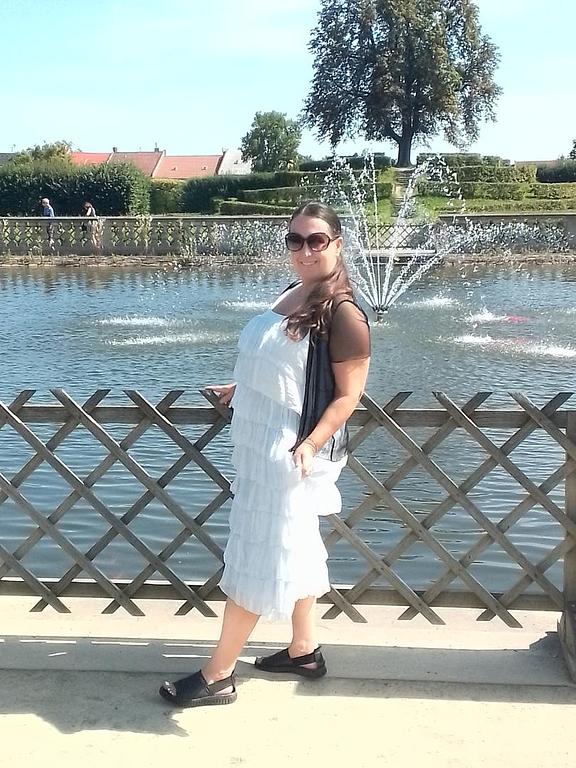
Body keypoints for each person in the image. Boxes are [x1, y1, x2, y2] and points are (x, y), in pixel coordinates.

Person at [159, 201, 371, 709]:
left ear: (337, 244)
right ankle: (304, 650)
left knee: (261, 553)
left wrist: (311, 443)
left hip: (290, 452)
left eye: (316, 240)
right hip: (260, 443)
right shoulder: (294, 292)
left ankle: (218, 674)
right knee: (293, 545)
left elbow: (348, 396)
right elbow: (283, 367)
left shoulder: (344, 314)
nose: (304, 250)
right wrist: (244, 388)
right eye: (295, 240)